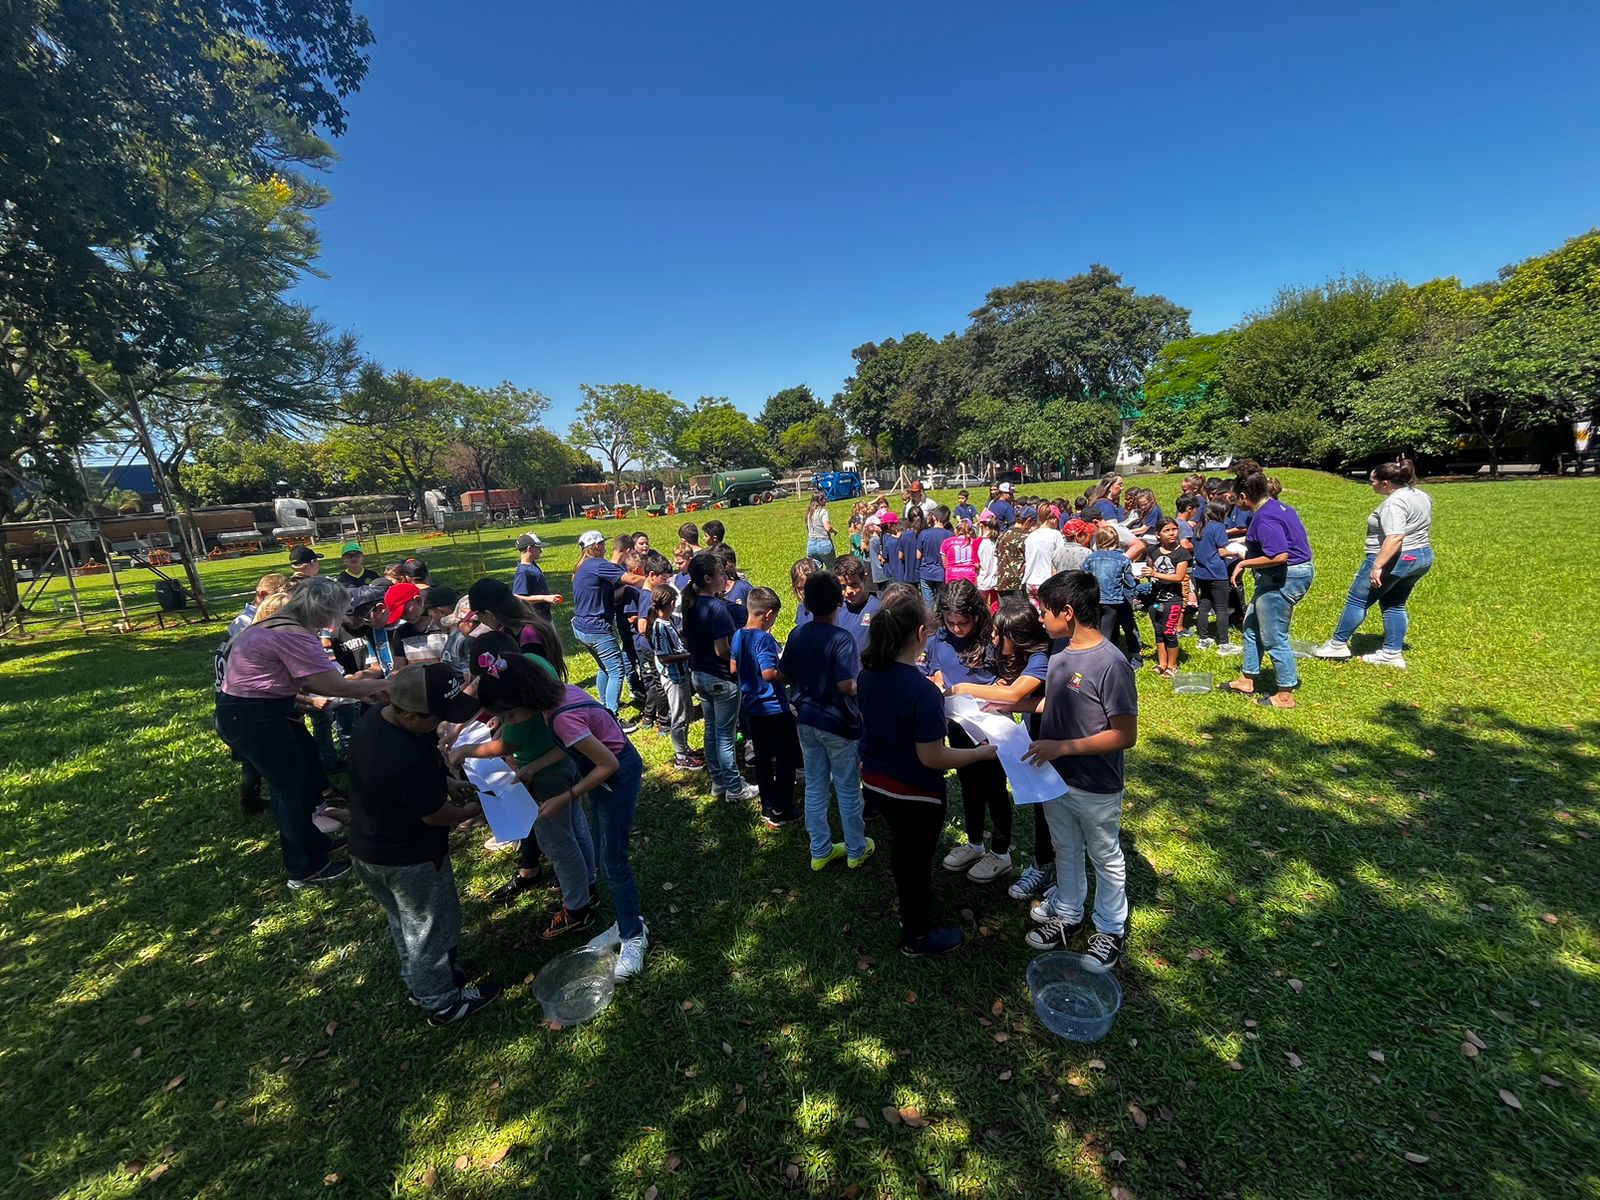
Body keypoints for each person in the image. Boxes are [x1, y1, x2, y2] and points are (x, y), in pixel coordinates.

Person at [472, 652, 652, 980]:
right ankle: (627, 920)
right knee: (604, 853)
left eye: (509, 714)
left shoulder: (560, 718)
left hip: (617, 778)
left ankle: (633, 935)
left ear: (525, 697)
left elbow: (609, 764)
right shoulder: (555, 698)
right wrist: (533, 767)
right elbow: (567, 748)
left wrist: (565, 797)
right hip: (603, 776)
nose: (508, 722)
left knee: (613, 863)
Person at [345, 662, 498, 1025]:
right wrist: (475, 809)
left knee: (404, 922)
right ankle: (441, 1001)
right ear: (411, 716)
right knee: (431, 927)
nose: (442, 722)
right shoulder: (404, 755)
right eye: (437, 716)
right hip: (408, 858)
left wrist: (445, 782)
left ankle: (421, 979)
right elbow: (433, 814)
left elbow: (408, 784)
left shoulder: (375, 721)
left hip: (366, 849)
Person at [216, 577, 388, 887]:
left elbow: (309, 679)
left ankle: (314, 843)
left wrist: (362, 692)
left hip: (258, 711)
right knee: (291, 790)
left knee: (303, 777)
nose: (341, 617)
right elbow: (332, 685)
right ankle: (305, 869)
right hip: (256, 716)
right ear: (323, 609)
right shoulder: (293, 635)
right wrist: (389, 685)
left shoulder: (272, 624)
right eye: (340, 610)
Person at [858, 583, 998, 956]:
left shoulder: (868, 673)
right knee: (916, 860)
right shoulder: (923, 692)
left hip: (875, 781)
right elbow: (933, 757)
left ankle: (911, 904)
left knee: (903, 849)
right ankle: (917, 934)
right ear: (922, 634)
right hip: (914, 792)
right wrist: (980, 755)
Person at [1021, 571, 1138, 971]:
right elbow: (1055, 704)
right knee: (1065, 847)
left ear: (1067, 612)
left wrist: (1062, 747)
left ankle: (1110, 929)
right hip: (1055, 778)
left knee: (1104, 854)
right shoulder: (1060, 653)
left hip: (1095, 784)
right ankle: (1068, 914)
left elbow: (1124, 734)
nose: (1041, 619)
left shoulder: (1111, 664)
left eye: (1045, 611)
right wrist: (1010, 705)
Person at [451, 643, 598, 937]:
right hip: (564, 761)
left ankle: (577, 908)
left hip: (546, 778)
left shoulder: (523, 714)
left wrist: (465, 750)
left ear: (519, 703)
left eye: (509, 716)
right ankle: (587, 885)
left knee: (557, 844)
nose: (507, 721)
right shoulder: (531, 666)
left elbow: (504, 746)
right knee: (576, 826)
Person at [948, 596, 1054, 898]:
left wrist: (962, 689)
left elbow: (1015, 693)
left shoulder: (1040, 658)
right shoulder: (1016, 656)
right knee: (1041, 805)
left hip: (1052, 740)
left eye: (998, 634)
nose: (993, 639)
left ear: (1017, 636)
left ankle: (1044, 866)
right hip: (1033, 736)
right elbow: (1009, 691)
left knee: (1049, 806)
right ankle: (1042, 863)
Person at [778, 572, 870, 872]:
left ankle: (819, 850)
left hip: (806, 720)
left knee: (815, 785)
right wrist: (864, 686)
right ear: (840, 601)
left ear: (805, 602)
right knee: (847, 787)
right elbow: (846, 685)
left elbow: (784, 673)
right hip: (839, 723)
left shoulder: (798, 633)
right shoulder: (842, 638)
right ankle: (856, 849)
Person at [923, 581, 1013, 885]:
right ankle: (975, 843)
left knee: (994, 788)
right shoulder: (939, 637)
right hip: (956, 723)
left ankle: (1001, 852)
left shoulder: (993, 638)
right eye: (951, 623)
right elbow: (931, 668)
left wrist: (990, 694)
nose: (957, 629)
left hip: (991, 724)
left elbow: (1010, 680)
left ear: (977, 615)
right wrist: (936, 678)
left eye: (963, 622)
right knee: (969, 784)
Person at [1314, 459, 1434, 669]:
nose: (1371, 484)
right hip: (1420, 556)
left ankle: (1337, 645)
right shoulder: (1419, 495)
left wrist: (1378, 566)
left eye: (1373, 481)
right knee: (1394, 603)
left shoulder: (1394, 503)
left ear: (1385, 483)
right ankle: (1391, 653)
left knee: (1357, 600)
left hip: (1396, 558)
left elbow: (1395, 537)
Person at [1224, 470, 1315, 708]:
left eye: (1235, 497)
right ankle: (1247, 679)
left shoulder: (1264, 518)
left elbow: (1279, 555)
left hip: (1283, 578)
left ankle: (1285, 694)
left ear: (1244, 496)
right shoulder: (1278, 507)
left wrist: (1244, 563)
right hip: (1278, 576)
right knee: (1251, 625)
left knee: (1274, 636)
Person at [681, 551, 760, 802]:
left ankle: (718, 782)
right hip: (721, 678)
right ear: (708, 578)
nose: (725, 579)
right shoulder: (717, 608)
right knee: (725, 737)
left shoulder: (692, 603)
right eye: (721, 575)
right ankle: (735, 788)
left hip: (699, 675)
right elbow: (722, 650)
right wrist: (743, 660)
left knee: (711, 730)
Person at [733, 587, 802, 829]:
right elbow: (769, 673)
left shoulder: (738, 635)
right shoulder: (764, 639)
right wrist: (791, 675)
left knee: (763, 758)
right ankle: (782, 809)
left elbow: (733, 668)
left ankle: (767, 805)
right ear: (769, 614)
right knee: (785, 758)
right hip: (774, 708)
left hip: (752, 707)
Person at [570, 529, 645, 724]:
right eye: (603, 544)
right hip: (596, 629)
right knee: (617, 671)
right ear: (596, 546)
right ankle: (611, 718)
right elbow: (633, 579)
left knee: (605, 668)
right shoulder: (597, 564)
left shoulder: (581, 566)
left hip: (580, 626)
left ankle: (603, 707)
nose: (605, 548)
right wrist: (657, 581)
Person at [647, 585, 703, 770]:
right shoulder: (659, 627)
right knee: (679, 716)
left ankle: (685, 748)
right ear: (672, 603)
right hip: (673, 678)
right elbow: (664, 657)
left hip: (681, 675)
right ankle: (681, 756)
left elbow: (672, 641)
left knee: (687, 713)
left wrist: (681, 634)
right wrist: (689, 655)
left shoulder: (667, 622)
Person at [1084, 526, 1143, 665]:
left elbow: (1085, 578)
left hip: (1095, 600)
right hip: (1115, 600)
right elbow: (1129, 582)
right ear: (1116, 540)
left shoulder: (1090, 558)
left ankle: (1098, 659)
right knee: (1119, 628)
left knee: (1098, 630)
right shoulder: (1122, 559)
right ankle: (1123, 659)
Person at [1143, 518, 1191, 677]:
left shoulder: (1182, 553)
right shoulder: (1152, 551)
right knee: (1158, 631)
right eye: (1167, 530)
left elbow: (1178, 576)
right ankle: (1162, 663)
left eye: (1174, 529)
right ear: (1158, 535)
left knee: (1169, 631)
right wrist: (1147, 573)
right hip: (1155, 598)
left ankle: (1172, 665)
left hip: (1173, 599)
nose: (1171, 533)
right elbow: (1150, 568)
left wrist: (1155, 573)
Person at [832, 556, 881, 652]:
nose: (849, 591)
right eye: (843, 586)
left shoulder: (877, 609)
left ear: (864, 579)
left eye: (854, 584)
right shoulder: (835, 609)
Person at [512, 533, 561, 620]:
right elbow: (518, 597)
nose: (541, 551)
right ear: (529, 549)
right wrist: (545, 598)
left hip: (544, 616)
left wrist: (525, 537)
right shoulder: (523, 572)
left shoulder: (531, 564)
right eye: (538, 548)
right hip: (537, 619)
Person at [1022, 507, 1062, 602]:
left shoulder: (1031, 536)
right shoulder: (1056, 535)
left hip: (1030, 581)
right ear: (1054, 520)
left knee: (1033, 610)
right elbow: (1060, 556)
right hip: (1047, 581)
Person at [916, 505, 951, 611]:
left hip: (926, 572)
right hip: (942, 573)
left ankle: (930, 619)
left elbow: (918, 555)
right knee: (941, 603)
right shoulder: (950, 535)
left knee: (928, 604)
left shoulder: (924, 533)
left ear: (934, 517)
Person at [940, 517, 979, 589]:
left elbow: (945, 564)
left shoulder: (947, 542)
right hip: (970, 574)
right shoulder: (975, 542)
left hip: (952, 574)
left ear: (956, 530)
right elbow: (977, 563)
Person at [975, 511, 1001, 611]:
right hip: (996, 579)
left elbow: (975, 562)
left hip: (982, 578)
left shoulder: (977, 542)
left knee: (981, 606)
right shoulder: (999, 540)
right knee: (995, 606)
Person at [804, 491, 837, 568]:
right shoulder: (823, 511)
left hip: (811, 544)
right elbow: (827, 527)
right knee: (832, 569)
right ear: (818, 501)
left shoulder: (809, 512)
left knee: (815, 571)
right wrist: (834, 531)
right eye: (823, 499)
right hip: (823, 543)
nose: (825, 500)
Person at [894, 507, 922, 589]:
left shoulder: (905, 535)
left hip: (910, 573)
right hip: (924, 573)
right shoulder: (925, 534)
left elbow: (900, 556)